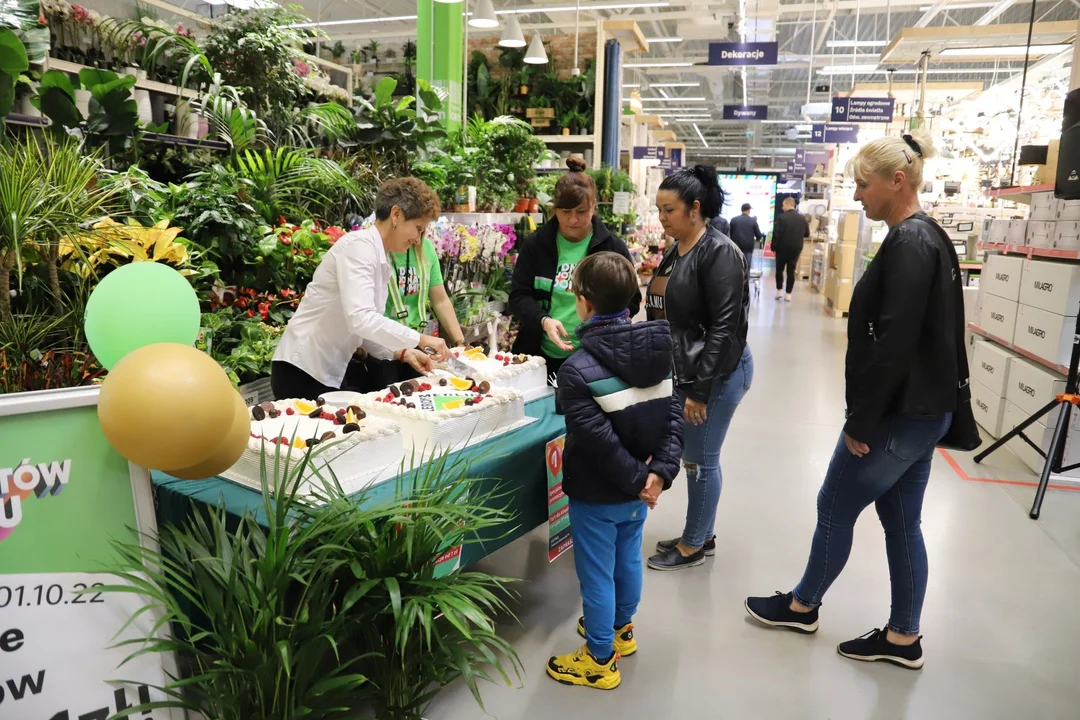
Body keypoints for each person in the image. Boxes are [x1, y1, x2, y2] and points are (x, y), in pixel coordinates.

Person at [745, 129, 959, 671]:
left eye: (864, 185)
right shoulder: (927, 235)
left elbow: (894, 343)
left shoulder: (910, 241)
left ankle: (801, 605)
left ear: (897, 179)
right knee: (903, 522)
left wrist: (861, 421)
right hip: (924, 412)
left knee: (834, 505)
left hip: (895, 415)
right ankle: (903, 636)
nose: (858, 196)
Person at [545, 252, 683, 691]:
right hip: (638, 491)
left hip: (598, 492)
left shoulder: (577, 370)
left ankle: (600, 658)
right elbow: (672, 417)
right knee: (627, 559)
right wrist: (656, 474)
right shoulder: (659, 351)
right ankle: (623, 631)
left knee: (596, 573)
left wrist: (639, 480)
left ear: (583, 303)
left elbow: (598, 441)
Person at [643, 165, 753, 571]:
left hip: (717, 373)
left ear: (694, 208)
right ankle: (700, 530)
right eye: (659, 210)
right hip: (688, 371)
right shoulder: (678, 247)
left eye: (668, 210)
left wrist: (700, 391)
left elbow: (724, 329)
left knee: (701, 459)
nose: (662, 218)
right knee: (695, 456)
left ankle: (694, 545)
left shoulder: (719, 252)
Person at [270, 178, 450, 400]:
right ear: (396, 215)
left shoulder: (377, 254)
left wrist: (402, 352)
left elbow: (361, 329)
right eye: (418, 228)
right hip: (300, 369)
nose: (418, 239)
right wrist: (421, 340)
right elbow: (361, 319)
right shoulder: (359, 247)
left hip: (324, 372)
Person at [510, 156, 641, 377]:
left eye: (581, 212)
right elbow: (518, 296)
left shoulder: (611, 247)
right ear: (554, 209)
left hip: (596, 360)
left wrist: (599, 323)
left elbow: (632, 299)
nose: (573, 220)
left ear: (594, 207)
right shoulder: (536, 245)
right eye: (565, 212)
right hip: (539, 359)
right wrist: (544, 320)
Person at [771, 197, 810, 301]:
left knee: (779, 269)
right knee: (791, 270)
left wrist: (773, 247)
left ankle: (779, 291)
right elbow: (807, 234)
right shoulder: (802, 218)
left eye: (783, 205)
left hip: (782, 248)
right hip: (796, 248)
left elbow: (776, 233)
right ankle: (788, 294)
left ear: (788, 204)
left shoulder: (781, 218)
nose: (782, 207)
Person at [728, 202, 763, 273]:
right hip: (748, 248)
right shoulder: (753, 221)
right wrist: (757, 240)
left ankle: (735, 283)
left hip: (736, 247)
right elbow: (759, 235)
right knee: (747, 267)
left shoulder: (733, 220)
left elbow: (729, 233)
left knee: (736, 267)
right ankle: (745, 283)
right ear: (748, 210)